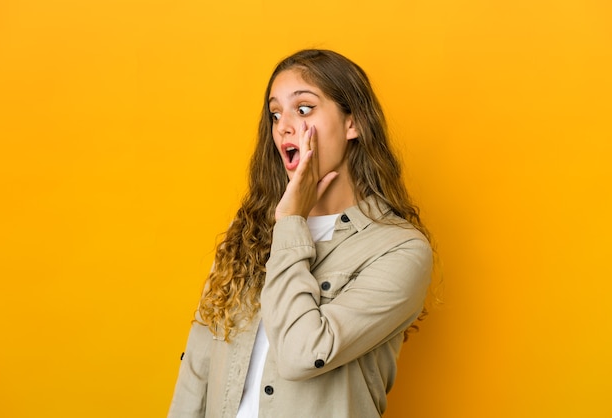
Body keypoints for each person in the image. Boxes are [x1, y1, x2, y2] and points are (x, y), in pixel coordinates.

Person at [168, 49, 434, 418]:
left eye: (304, 109)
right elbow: (199, 362)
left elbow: (302, 353)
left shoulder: (399, 250)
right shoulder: (247, 233)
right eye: (276, 113)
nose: (284, 126)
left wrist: (292, 221)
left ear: (352, 123)